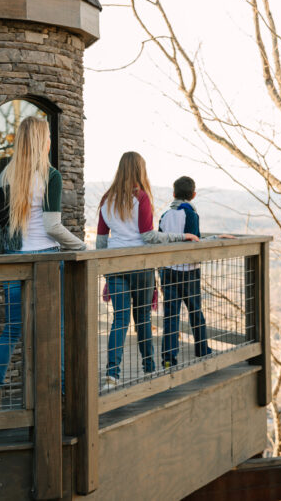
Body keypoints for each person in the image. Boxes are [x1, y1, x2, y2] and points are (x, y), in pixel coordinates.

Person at [0, 117, 84, 403]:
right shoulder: (50, 175)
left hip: (15, 260)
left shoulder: (6, 173)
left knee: (13, 328)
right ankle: (61, 392)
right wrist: (82, 247)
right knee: (57, 328)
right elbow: (53, 227)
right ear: (44, 140)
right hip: (48, 261)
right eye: (49, 135)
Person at [96, 152, 199, 388]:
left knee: (119, 320)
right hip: (139, 265)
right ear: (139, 171)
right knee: (142, 319)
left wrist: (106, 269)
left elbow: (101, 241)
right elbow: (148, 236)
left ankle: (112, 375)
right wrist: (182, 236)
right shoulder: (140, 197)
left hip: (114, 265)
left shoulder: (106, 199)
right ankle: (150, 370)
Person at [157, 176, 213, 368]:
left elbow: (160, 239)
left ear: (173, 194)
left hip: (167, 269)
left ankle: (168, 356)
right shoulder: (190, 214)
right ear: (193, 195)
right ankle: (202, 348)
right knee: (195, 310)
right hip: (188, 270)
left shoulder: (165, 215)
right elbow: (194, 240)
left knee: (171, 314)